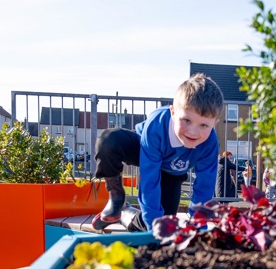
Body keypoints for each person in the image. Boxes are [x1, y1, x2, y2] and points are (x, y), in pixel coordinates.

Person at [91, 73, 224, 231]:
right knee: (108, 141)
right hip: (145, 151)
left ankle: (125, 214)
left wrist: (198, 224)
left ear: (215, 123)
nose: (193, 132)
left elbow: (205, 186)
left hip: (172, 170)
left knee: (163, 222)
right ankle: (116, 197)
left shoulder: (210, 143)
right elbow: (149, 180)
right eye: (187, 120)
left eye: (204, 125)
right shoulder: (157, 125)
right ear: (173, 112)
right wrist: (152, 223)